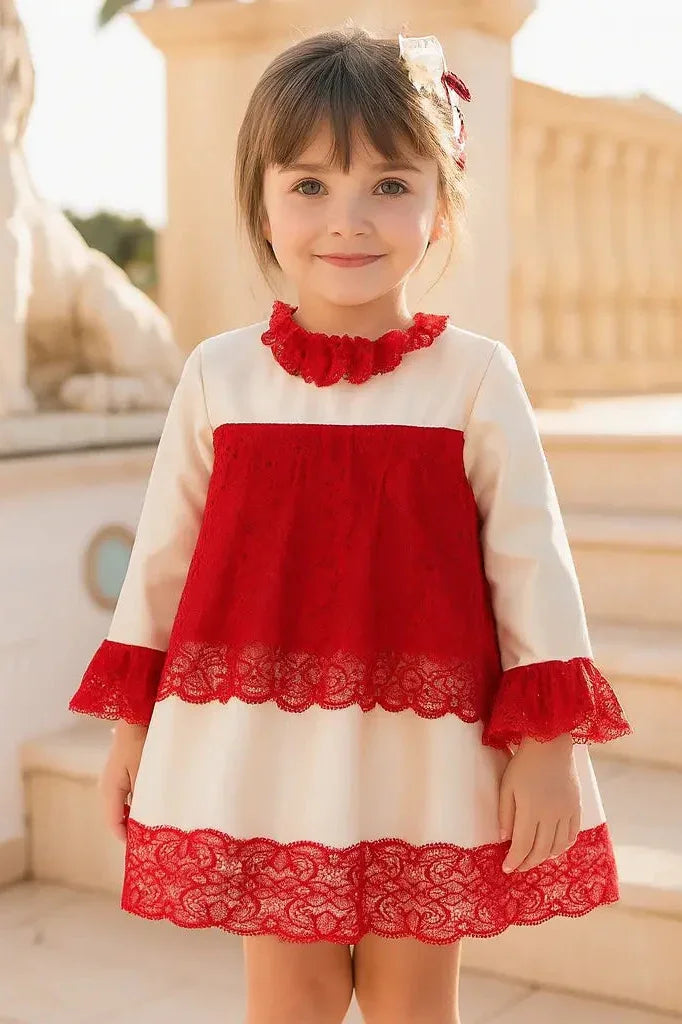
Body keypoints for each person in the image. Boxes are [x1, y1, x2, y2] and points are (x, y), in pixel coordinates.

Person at [68, 23, 633, 1024]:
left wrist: (546, 746)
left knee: (413, 1000)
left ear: (440, 199)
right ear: (262, 201)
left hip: (427, 748)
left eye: (388, 184)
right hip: (264, 739)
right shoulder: (220, 375)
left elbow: (530, 560)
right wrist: (132, 730)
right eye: (310, 185)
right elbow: (161, 562)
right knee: (292, 998)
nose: (349, 220)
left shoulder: (473, 377)